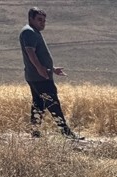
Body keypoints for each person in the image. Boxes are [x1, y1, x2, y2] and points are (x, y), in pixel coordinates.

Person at [20, 7, 82, 140]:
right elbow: (31, 53)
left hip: (37, 75)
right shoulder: (29, 32)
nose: (42, 23)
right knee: (53, 103)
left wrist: (52, 68)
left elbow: (38, 54)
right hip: (40, 77)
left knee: (39, 104)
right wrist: (40, 69)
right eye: (39, 20)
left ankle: (35, 132)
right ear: (31, 19)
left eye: (44, 20)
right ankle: (66, 132)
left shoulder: (33, 32)